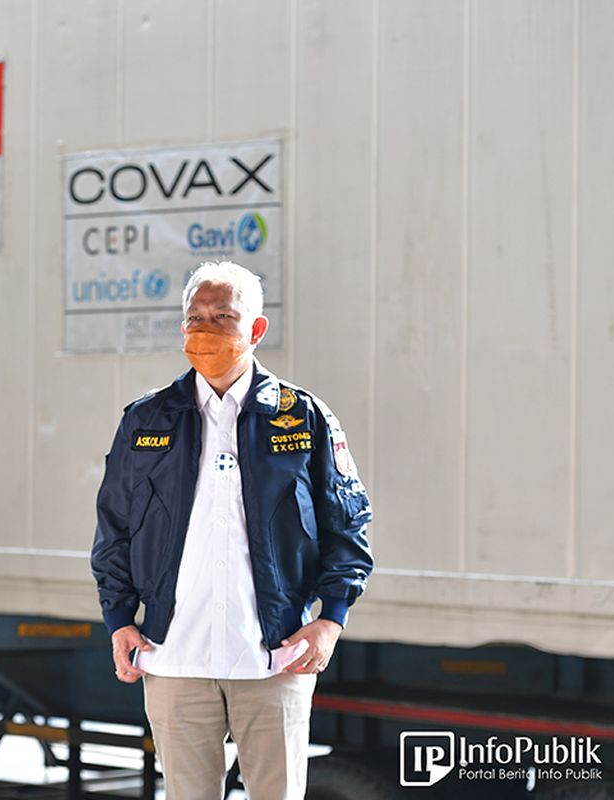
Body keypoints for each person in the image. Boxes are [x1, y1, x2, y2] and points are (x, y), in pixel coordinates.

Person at [90, 261, 373, 800]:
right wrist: (119, 619)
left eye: (223, 316)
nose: (206, 329)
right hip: (173, 657)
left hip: (274, 657)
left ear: (256, 330)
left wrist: (331, 619)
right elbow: (114, 528)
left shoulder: (302, 416)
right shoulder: (147, 419)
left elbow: (349, 522)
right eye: (195, 317)